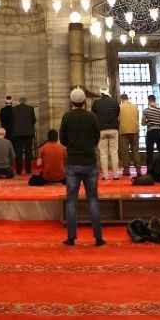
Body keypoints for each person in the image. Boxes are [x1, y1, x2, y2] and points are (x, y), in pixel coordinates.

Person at [59, 88, 105, 246]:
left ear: (71, 101)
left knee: (71, 201)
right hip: (89, 162)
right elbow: (97, 137)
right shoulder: (91, 116)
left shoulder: (67, 117)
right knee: (93, 200)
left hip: (73, 162)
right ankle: (98, 237)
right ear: (84, 101)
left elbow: (62, 139)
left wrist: (73, 146)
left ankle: (71, 237)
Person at [91, 88, 120, 181]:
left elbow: (93, 114)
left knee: (103, 153)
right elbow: (117, 113)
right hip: (113, 129)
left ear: (101, 94)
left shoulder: (96, 103)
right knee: (114, 152)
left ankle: (105, 175)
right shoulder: (114, 102)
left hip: (101, 130)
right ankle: (115, 175)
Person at [12, 96, 37, 174]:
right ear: (25, 101)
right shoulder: (30, 108)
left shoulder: (14, 109)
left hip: (18, 133)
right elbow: (34, 120)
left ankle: (19, 170)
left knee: (18, 152)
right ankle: (28, 170)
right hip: (28, 133)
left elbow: (12, 121)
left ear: (19, 101)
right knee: (28, 152)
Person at [143, 95, 160, 174]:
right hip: (159, 131)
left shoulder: (146, 110)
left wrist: (148, 122)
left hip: (150, 132)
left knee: (149, 152)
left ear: (148, 100)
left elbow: (143, 123)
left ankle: (149, 171)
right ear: (155, 100)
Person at [118, 95, 141, 177]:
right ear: (128, 98)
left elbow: (118, 119)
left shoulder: (120, 107)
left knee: (125, 151)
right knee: (135, 150)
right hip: (135, 130)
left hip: (124, 131)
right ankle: (138, 170)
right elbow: (137, 117)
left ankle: (126, 170)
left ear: (121, 99)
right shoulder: (135, 106)